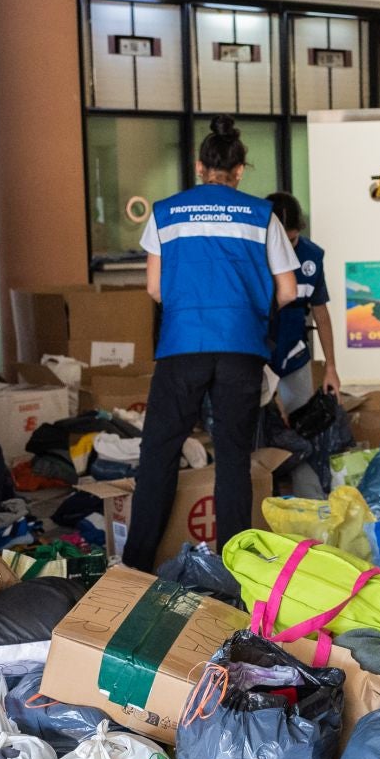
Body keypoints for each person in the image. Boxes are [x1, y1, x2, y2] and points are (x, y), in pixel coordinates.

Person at [126, 115, 299, 571]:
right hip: (241, 348)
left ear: (200, 167)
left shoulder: (165, 212)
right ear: (240, 170)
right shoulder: (262, 216)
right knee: (233, 458)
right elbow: (287, 291)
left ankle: (137, 564)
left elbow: (154, 288)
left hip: (182, 346)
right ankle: (235, 569)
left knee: (159, 454)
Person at [267, 190, 340, 414]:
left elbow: (321, 313)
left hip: (294, 351)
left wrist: (330, 367)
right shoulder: (250, 255)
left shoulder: (311, 257)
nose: (287, 249)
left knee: (302, 418)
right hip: (255, 352)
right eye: (281, 242)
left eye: (292, 240)